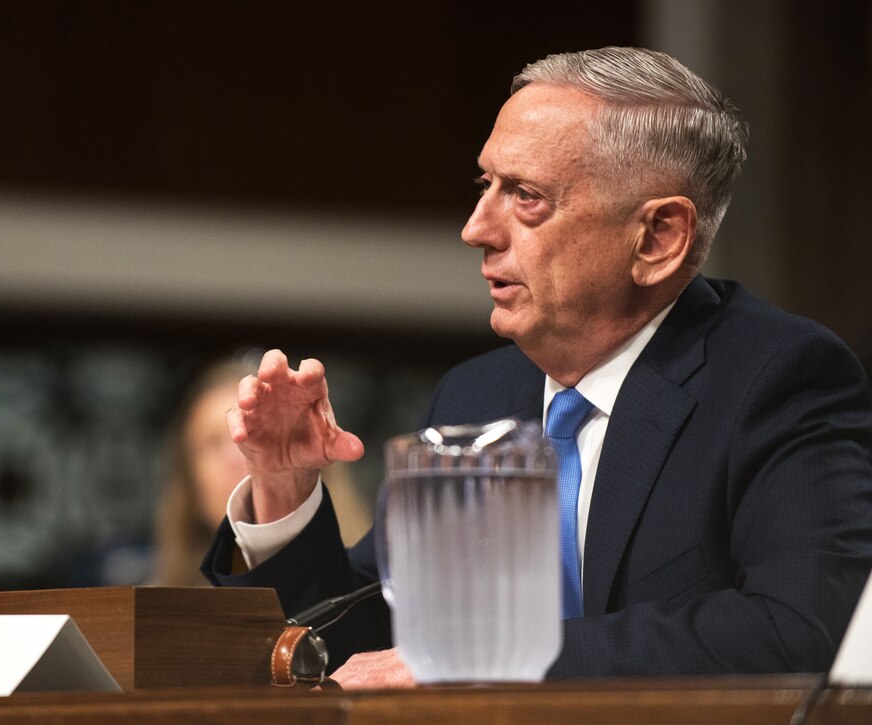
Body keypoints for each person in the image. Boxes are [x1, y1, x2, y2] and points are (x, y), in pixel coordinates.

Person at [200, 46, 872, 687]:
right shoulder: (476, 394)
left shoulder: (777, 379)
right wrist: (285, 491)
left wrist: (496, 662)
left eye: (526, 197)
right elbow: (367, 645)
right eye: (484, 184)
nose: (476, 228)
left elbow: (804, 629)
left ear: (659, 237)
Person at [152, 357, 371, 587]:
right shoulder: (151, 608)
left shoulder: (375, 589)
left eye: (257, 436)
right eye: (213, 443)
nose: (236, 457)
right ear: (190, 481)